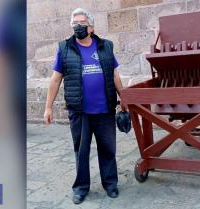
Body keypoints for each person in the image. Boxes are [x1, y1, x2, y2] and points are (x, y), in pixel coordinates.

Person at [43, 8, 126, 204]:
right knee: (81, 152)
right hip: (79, 112)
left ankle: (111, 184)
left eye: (81, 23)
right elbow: (55, 80)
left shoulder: (106, 47)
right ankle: (81, 187)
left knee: (108, 149)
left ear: (91, 27)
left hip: (104, 109)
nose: (77, 27)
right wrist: (48, 107)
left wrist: (125, 100)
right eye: (74, 24)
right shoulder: (65, 49)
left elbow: (115, 76)